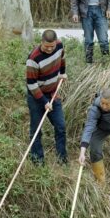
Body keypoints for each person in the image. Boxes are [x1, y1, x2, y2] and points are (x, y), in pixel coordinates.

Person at [26, 29, 68, 165]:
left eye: (52, 46)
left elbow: (62, 59)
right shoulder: (33, 58)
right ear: (41, 42)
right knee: (36, 130)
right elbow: (31, 84)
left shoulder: (59, 46)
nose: (50, 49)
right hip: (36, 96)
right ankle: (38, 161)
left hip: (53, 93)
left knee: (60, 126)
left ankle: (62, 160)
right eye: (46, 47)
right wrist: (44, 101)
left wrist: (62, 73)